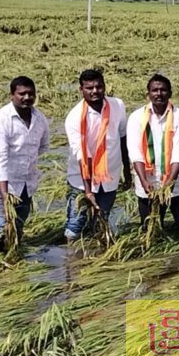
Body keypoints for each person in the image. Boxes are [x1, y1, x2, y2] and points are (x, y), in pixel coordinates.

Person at [0, 76, 49, 266]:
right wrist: (5, 198)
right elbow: (0, 160)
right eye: (22, 94)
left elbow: (43, 146)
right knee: (0, 227)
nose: (27, 97)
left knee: (17, 228)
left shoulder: (39, 119)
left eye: (31, 93)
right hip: (0, 183)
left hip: (26, 184)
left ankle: (10, 260)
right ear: (12, 95)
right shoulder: (1, 121)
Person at [126, 74, 179, 238]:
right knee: (151, 228)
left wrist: (169, 183)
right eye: (155, 90)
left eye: (163, 90)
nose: (159, 94)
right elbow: (135, 152)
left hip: (178, 181)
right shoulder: (136, 117)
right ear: (148, 94)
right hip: (148, 182)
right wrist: (144, 181)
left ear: (170, 93)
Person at [63, 69, 132, 241]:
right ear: (81, 90)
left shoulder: (117, 106)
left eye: (99, 87)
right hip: (81, 180)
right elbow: (81, 155)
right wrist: (88, 191)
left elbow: (123, 138)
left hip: (110, 176)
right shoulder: (74, 117)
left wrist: (127, 172)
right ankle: (72, 262)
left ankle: (94, 257)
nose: (95, 91)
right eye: (89, 88)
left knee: (101, 222)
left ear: (104, 86)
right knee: (75, 228)